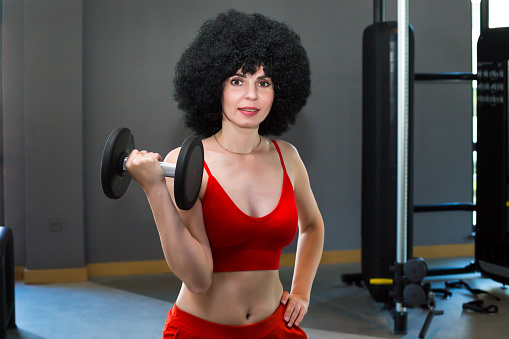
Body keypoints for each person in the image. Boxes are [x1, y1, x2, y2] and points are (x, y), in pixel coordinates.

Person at [126, 9, 324, 338]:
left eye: (264, 82)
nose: (252, 95)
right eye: (237, 81)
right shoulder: (187, 163)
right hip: (201, 330)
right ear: (213, 88)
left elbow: (313, 226)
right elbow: (198, 279)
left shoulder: (287, 158)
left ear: (280, 91)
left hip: (276, 328)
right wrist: (154, 189)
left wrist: (301, 291)